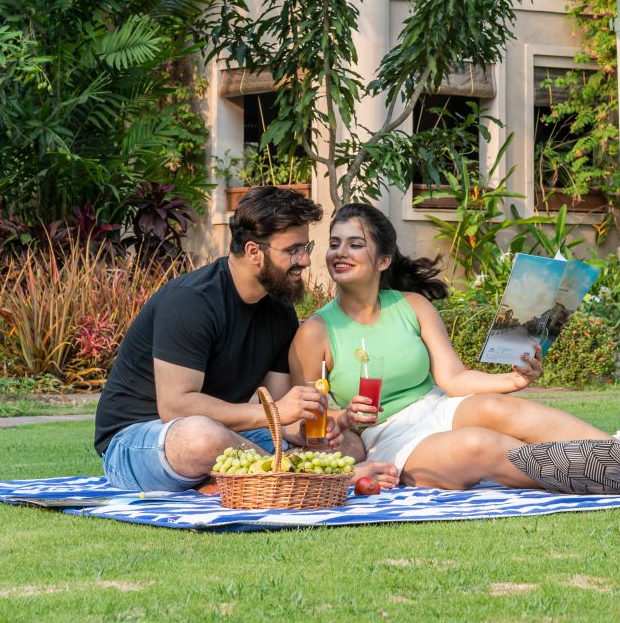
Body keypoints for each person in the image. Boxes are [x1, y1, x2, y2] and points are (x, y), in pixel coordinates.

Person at [290, 202, 620, 496]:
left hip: (434, 407)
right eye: (334, 243)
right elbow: (307, 423)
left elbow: (452, 379)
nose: (338, 253)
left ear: (383, 261)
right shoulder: (316, 331)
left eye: (354, 243)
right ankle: (618, 475)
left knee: (499, 407)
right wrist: (343, 419)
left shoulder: (412, 306)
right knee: (478, 443)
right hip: (384, 439)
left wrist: (510, 379)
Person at [94, 185, 396, 492]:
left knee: (348, 446)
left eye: (306, 248)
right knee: (201, 438)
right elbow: (175, 408)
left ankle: (230, 481)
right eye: (293, 250)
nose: (304, 261)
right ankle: (312, 479)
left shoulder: (279, 309)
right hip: (139, 441)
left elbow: (280, 415)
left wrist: (315, 429)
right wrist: (279, 415)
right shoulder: (190, 302)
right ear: (253, 251)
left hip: (227, 432)